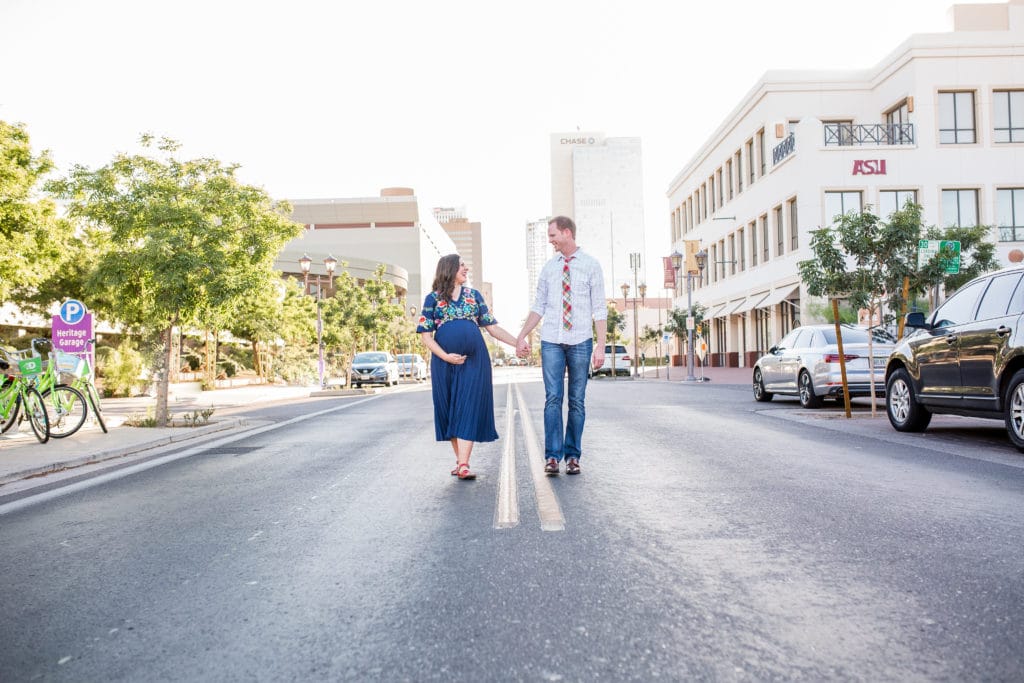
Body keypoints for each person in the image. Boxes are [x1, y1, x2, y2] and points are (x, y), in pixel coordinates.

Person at [516, 216, 606, 476]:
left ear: (567, 233)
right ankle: (553, 456)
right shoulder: (549, 268)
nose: (550, 240)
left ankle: (573, 455)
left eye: (553, 235)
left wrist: (600, 346)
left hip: (580, 341)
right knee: (552, 399)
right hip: (552, 341)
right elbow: (538, 307)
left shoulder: (591, 266)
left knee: (577, 401)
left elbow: (599, 308)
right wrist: (522, 335)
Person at [417, 254, 519, 480]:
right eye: (462, 265)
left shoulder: (474, 296)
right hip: (444, 363)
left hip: (474, 361)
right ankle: (461, 461)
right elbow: (426, 336)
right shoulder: (432, 299)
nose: (467, 268)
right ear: (449, 268)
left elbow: (493, 328)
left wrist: (518, 342)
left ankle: (463, 464)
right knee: (450, 409)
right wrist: (446, 357)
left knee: (468, 406)